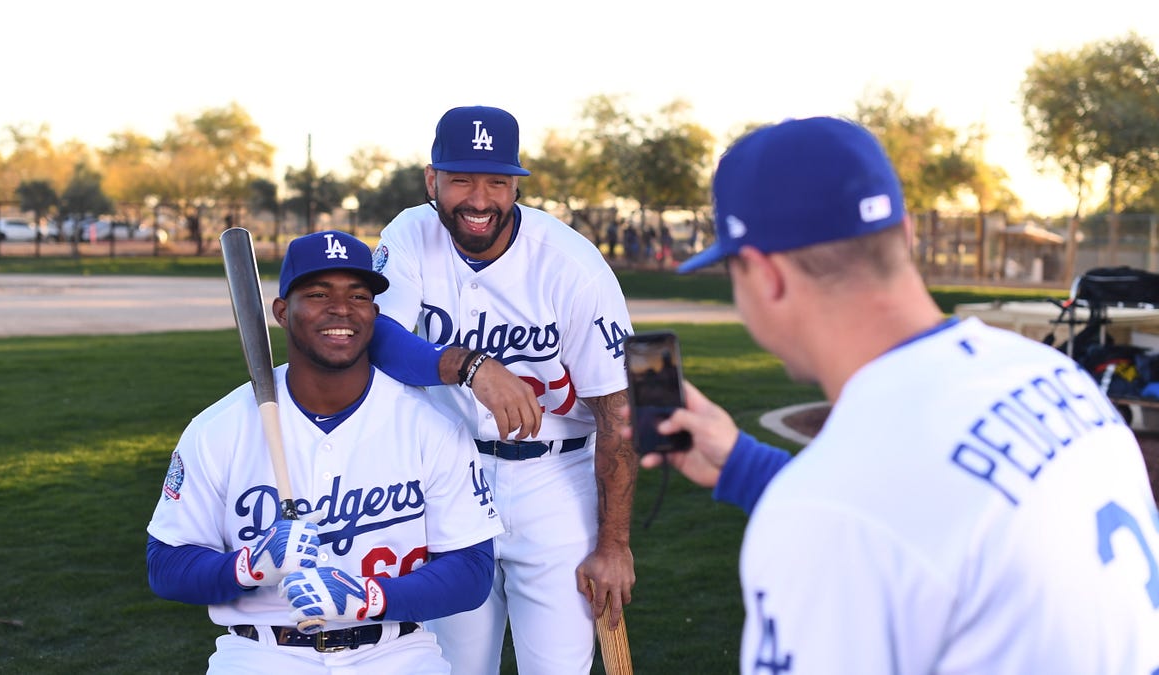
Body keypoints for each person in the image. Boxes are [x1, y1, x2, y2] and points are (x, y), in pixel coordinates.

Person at [643, 116, 1159, 673]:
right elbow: (931, 520)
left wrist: (806, 501)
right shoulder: (1052, 374)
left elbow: (869, 517)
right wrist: (743, 466)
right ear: (906, 235)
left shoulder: (826, 513)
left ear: (766, 277)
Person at [146, 230, 516, 673]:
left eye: (358, 295)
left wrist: (370, 597)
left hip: (394, 652)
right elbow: (166, 565)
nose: (341, 308)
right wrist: (248, 566)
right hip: (262, 653)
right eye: (319, 293)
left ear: (375, 314)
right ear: (283, 312)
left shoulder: (429, 426)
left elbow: (471, 571)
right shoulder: (219, 428)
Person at [371, 105, 637, 674]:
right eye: (461, 178)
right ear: (431, 180)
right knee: (450, 667)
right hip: (451, 478)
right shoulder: (411, 234)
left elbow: (618, 414)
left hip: (556, 483)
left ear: (516, 184)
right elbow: (380, 339)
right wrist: (471, 365)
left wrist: (614, 545)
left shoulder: (570, 266)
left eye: (496, 181)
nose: (479, 198)